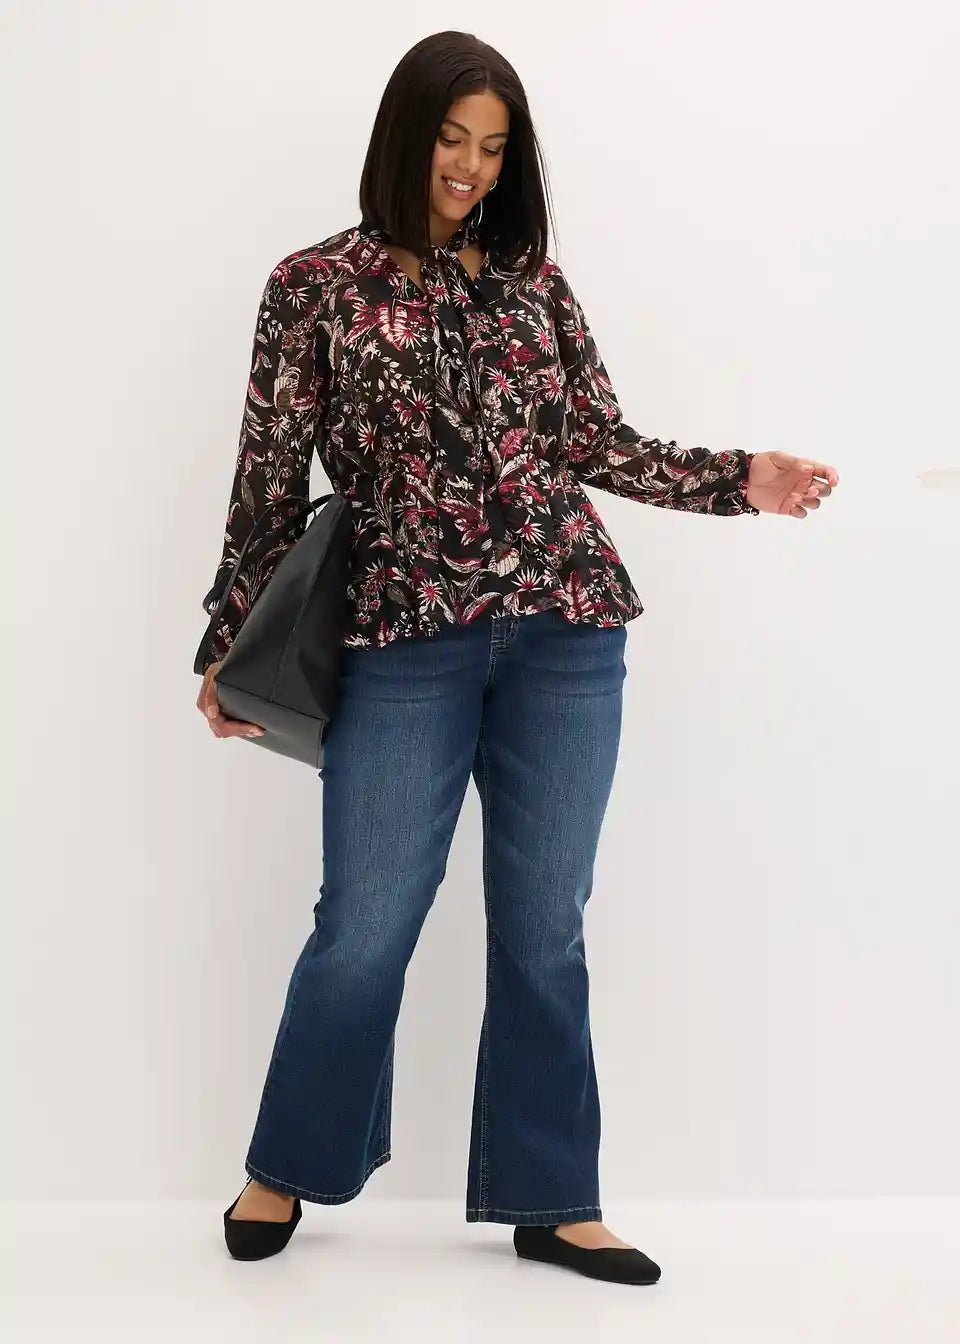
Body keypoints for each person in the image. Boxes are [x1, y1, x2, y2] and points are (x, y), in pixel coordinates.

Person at [196, 30, 838, 1285]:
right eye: (452, 140)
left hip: (566, 630)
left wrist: (739, 479)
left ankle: (553, 1198)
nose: (470, 169)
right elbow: (268, 478)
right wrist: (230, 643)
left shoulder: (534, 284)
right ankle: (288, 1164)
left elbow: (597, 442)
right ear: (405, 136)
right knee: (365, 921)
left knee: (548, 927)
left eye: (493, 149)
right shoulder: (313, 285)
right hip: (403, 635)